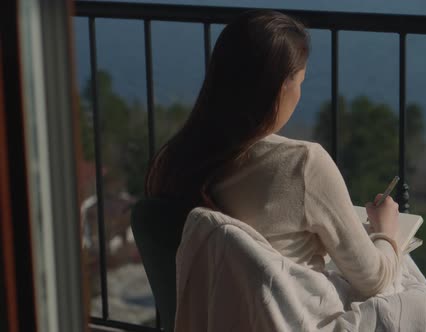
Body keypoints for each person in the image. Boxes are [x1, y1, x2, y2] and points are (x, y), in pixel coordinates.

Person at [145, 9, 402, 299]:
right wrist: (386, 231)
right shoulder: (302, 164)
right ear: (281, 87)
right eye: (300, 82)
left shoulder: (170, 162)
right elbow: (373, 279)